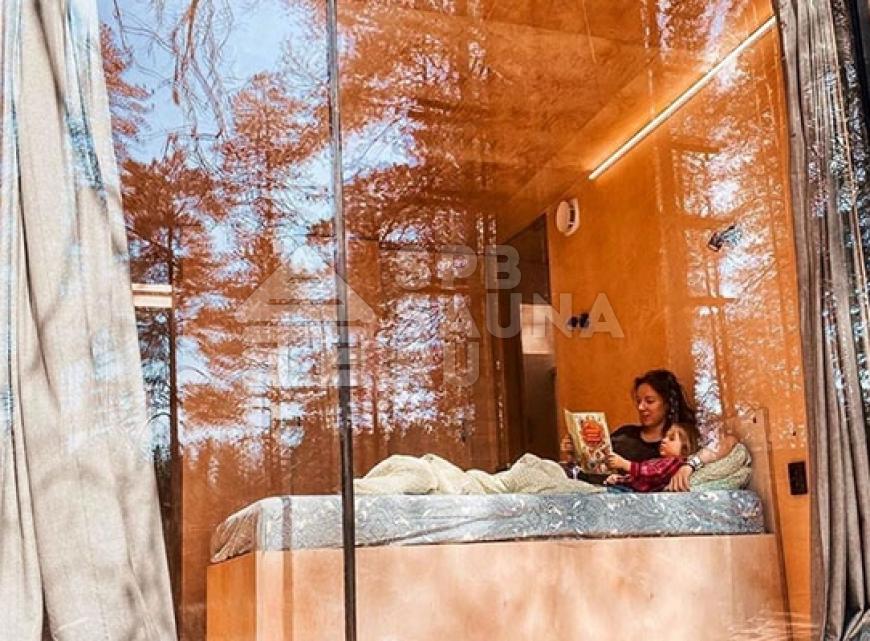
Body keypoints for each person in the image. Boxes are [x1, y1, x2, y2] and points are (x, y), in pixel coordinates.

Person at [560, 369, 734, 490]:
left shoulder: (682, 440)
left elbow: (729, 440)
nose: (641, 407)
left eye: (649, 401)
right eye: (638, 401)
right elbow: (592, 469)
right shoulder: (625, 435)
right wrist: (574, 453)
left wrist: (690, 465)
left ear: (667, 403)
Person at [603, 424, 696, 492]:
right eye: (665, 437)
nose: (664, 440)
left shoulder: (675, 462)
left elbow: (653, 473)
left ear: (684, 449)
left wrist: (625, 464)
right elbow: (639, 478)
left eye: (671, 439)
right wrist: (620, 479)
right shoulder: (658, 461)